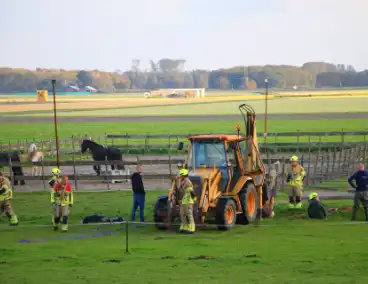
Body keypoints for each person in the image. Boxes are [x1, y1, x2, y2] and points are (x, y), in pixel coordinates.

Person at [179, 169, 196, 234]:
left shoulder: (187, 182)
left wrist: (193, 201)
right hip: (184, 201)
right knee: (182, 214)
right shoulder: (183, 181)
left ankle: (192, 228)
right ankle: (184, 227)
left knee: (189, 214)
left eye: (181, 175)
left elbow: (192, 193)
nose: (180, 176)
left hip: (188, 201)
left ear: (184, 175)